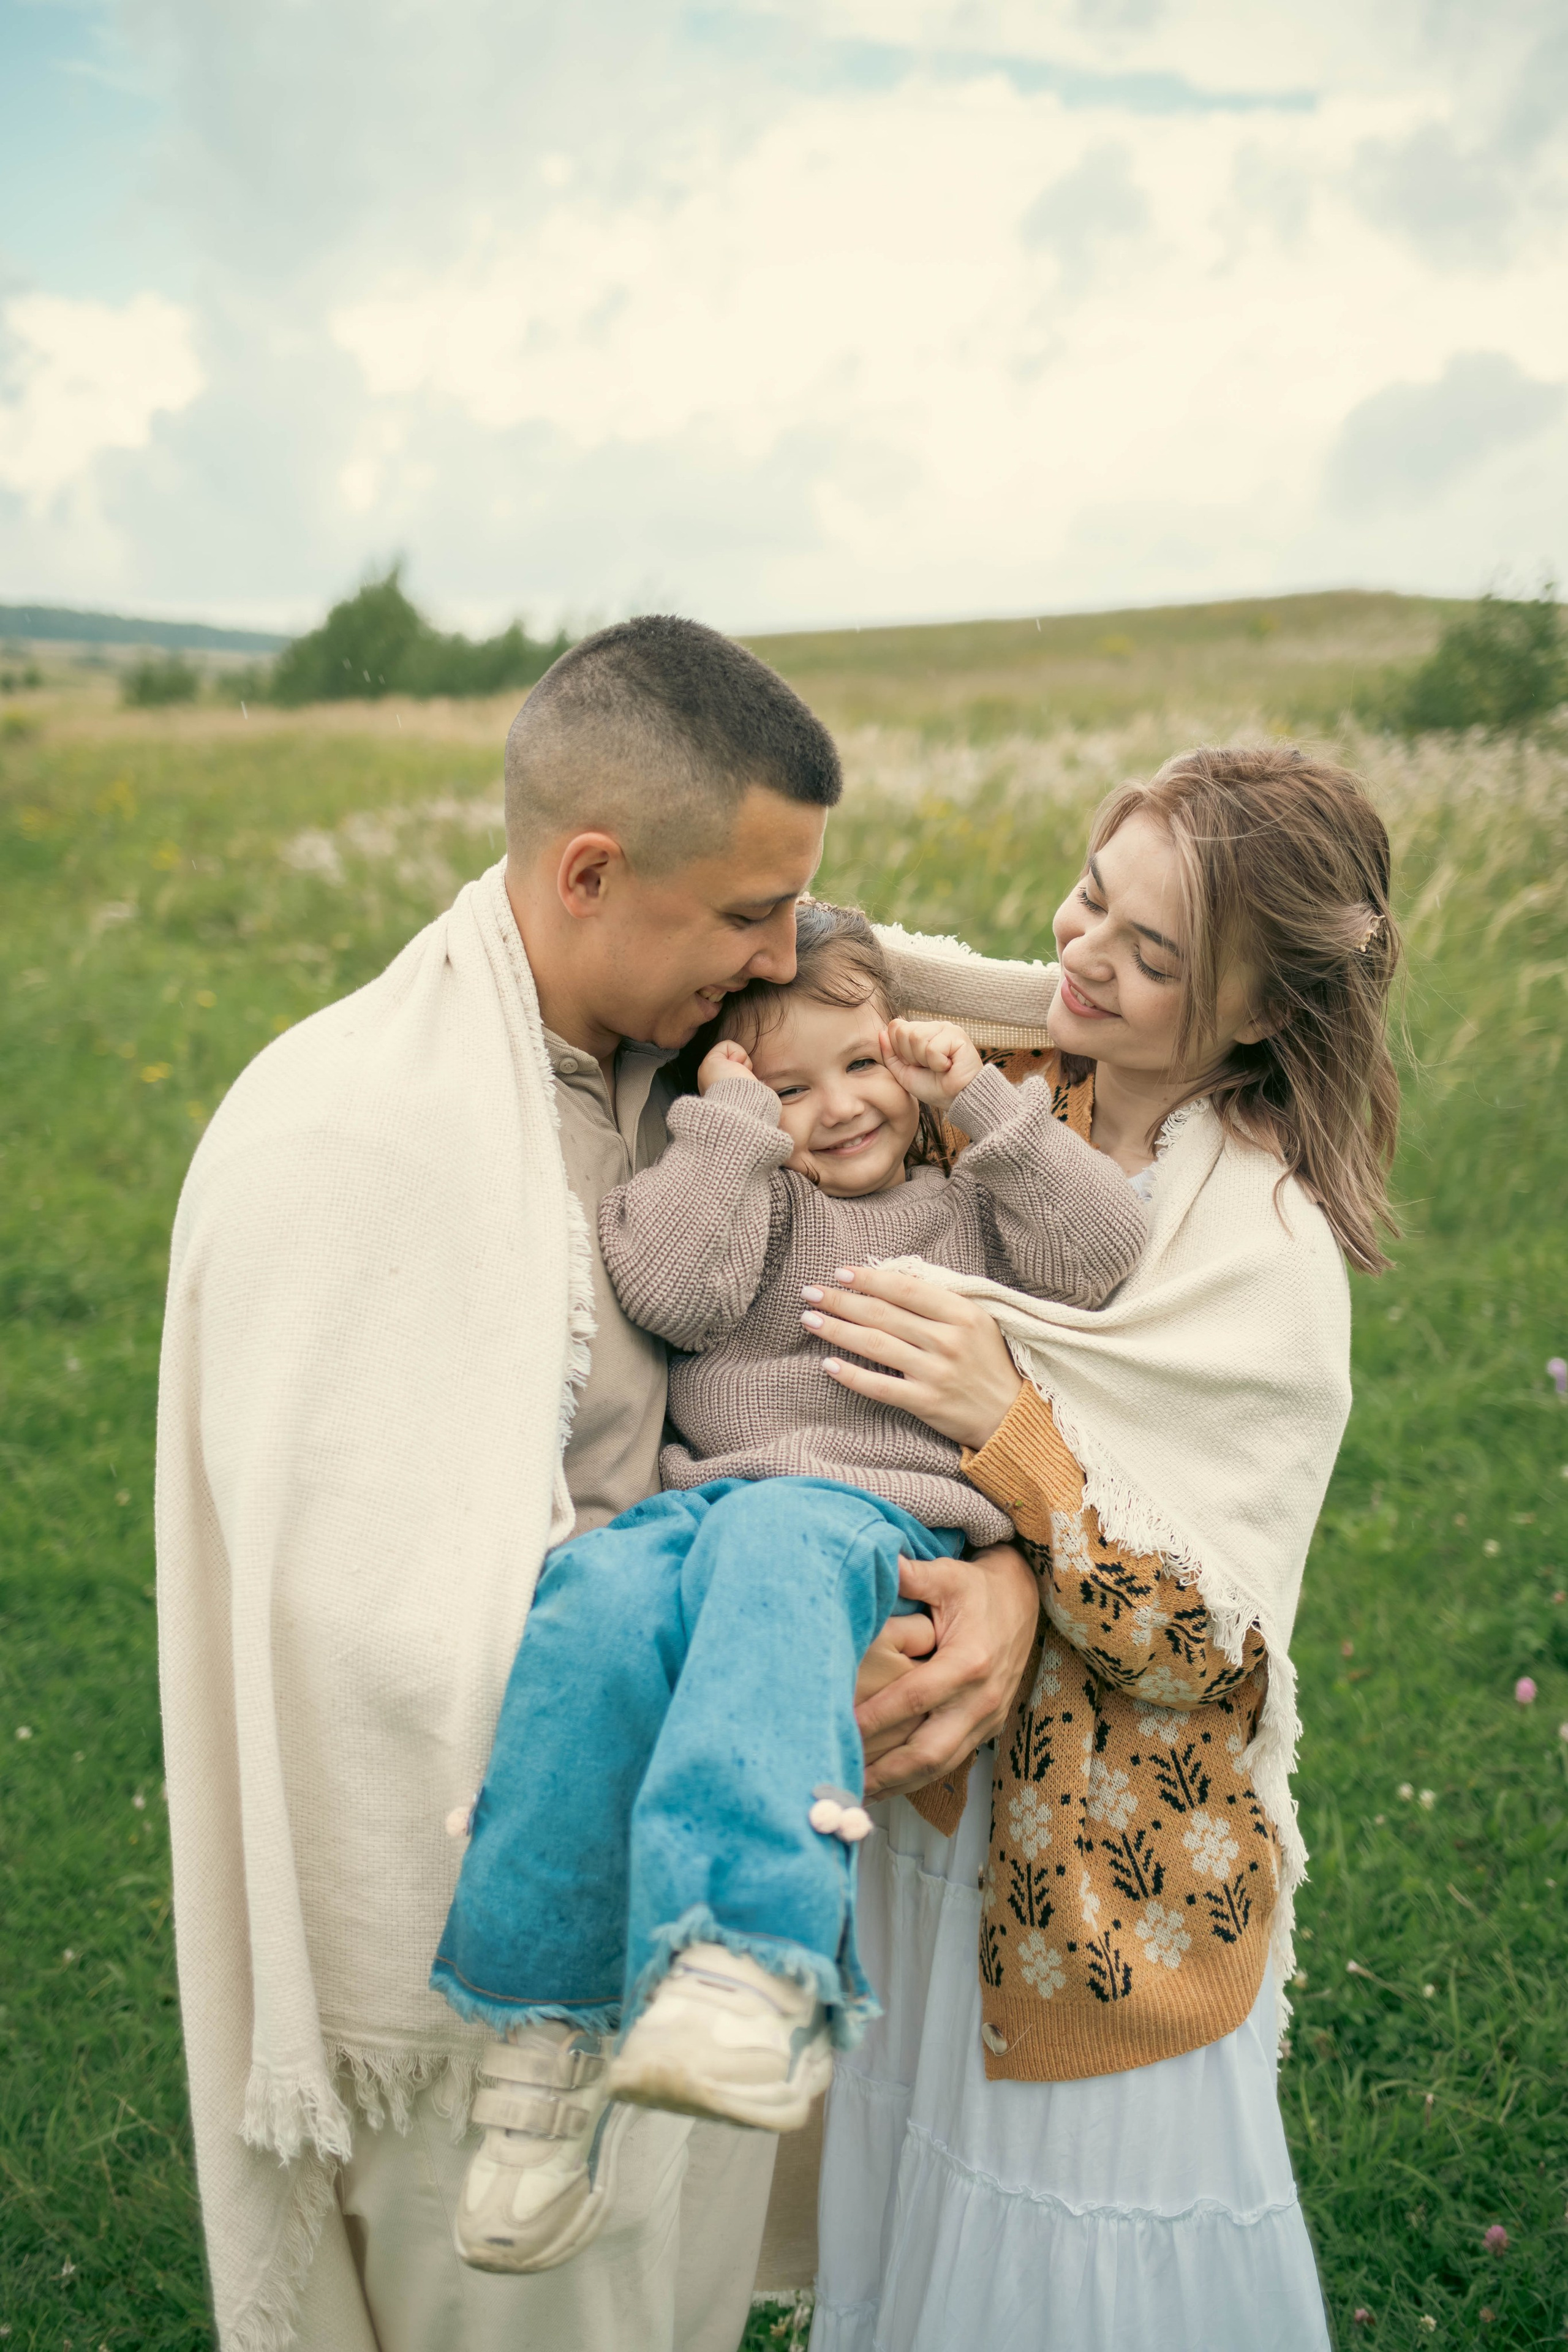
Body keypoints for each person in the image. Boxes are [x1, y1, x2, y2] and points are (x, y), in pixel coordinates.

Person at [156, 615, 1043, 2352]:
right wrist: (767, 1655)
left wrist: (988, 1576)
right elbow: (365, 1633)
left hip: (685, 1845)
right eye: (743, 918)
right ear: (585, 872)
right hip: (472, 1940)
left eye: (804, 911)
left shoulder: (688, 1068)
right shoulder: (354, 1137)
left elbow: (936, 989)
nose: (787, 959)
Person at [429, 902, 1147, 2273]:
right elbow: (671, 1292)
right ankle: (538, 2059)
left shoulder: (963, 1207)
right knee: (588, 1608)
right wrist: (730, 1131)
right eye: (788, 1085)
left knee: (769, 1547)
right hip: (707, 1510)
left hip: (871, 1523)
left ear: (905, 1054)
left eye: (861, 1065)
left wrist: (977, 1099)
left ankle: (748, 1957)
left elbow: (1097, 1252)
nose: (834, 1110)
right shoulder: (740, 1197)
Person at [805, 745, 1401, 2352]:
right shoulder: (1020, 1090)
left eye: (1154, 958)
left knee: (1080, 2275)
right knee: (931, 2239)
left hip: (1108, 1887)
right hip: (949, 1821)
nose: (1086, 959)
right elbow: (831, 964)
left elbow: (1200, 1631)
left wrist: (1008, 1418)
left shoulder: (1266, 1255)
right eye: (1088, 898)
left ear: (1261, 1012)